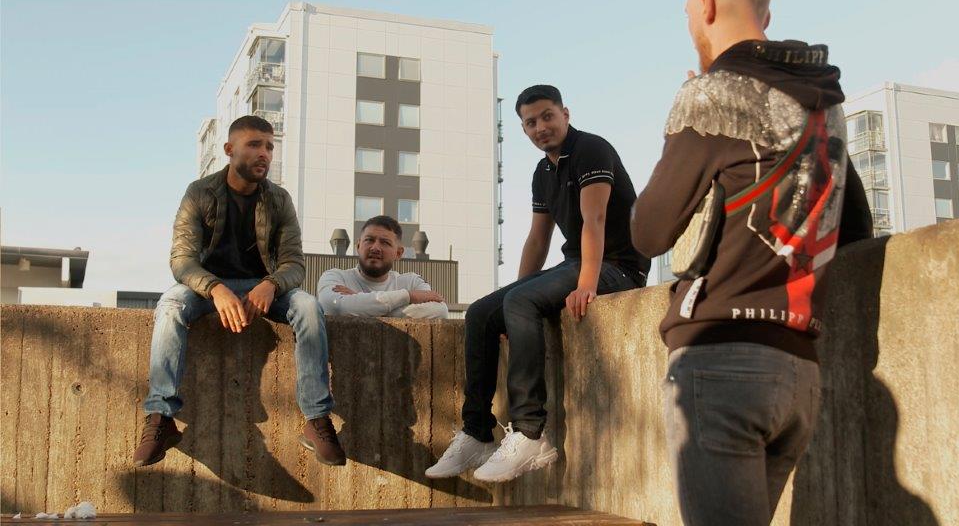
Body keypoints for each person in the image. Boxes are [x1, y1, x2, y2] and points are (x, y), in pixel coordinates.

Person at [630, 0, 873, 524]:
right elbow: (855, 228)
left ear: (705, 5)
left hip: (721, 360)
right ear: (765, 12)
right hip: (799, 371)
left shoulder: (712, 95)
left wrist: (681, 130)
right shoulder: (825, 107)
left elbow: (648, 232)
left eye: (687, 12)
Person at [426, 85, 651, 483]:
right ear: (524, 129)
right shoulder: (542, 171)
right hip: (578, 261)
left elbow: (595, 219)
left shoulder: (592, 149)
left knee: (521, 303)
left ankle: (530, 433)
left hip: (618, 266)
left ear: (565, 113)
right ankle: (477, 432)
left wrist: (587, 284)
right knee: (481, 313)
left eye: (548, 116)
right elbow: (537, 239)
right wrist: (510, 304)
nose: (541, 127)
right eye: (531, 122)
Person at [133, 115, 346, 468]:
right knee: (170, 304)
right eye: (255, 145)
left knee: (308, 306)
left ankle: (317, 420)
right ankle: (161, 417)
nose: (265, 153)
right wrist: (214, 288)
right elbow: (182, 260)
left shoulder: (279, 199)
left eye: (270, 147)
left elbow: (294, 263)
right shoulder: (199, 193)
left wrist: (270, 284)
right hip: (207, 287)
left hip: (263, 286)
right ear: (230, 149)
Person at [317, 215, 448, 319]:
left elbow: (440, 311)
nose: (375, 248)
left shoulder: (412, 282)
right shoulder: (335, 277)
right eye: (369, 240)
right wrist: (408, 296)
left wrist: (360, 304)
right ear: (358, 246)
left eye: (385, 242)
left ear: (398, 253)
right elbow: (334, 307)